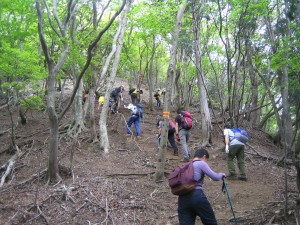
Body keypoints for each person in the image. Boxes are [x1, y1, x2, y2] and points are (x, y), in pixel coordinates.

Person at [178, 148, 225, 225]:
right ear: (204, 156)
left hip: (182, 198)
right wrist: (222, 175)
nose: (206, 161)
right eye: (206, 159)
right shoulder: (200, 163)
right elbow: (215, 177)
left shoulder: (185, 165)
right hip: (196, 196)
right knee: (211, 222)